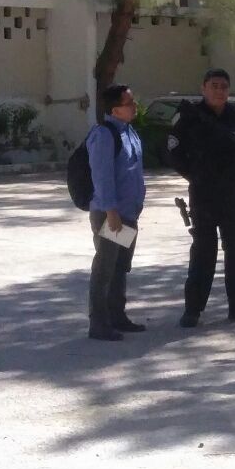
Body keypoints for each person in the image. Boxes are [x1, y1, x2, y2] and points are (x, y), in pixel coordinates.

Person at [168, 68, 235, 328]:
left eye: (224, 86)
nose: (219, 91)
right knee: (203, 252)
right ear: (203, 88)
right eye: (214, 85)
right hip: (204, 195)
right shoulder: (189, 117)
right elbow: (174, 152)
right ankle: (193, 309)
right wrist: (195, 176)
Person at [86, 84, 147, 341]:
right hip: (111, 214)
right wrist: (111, 211)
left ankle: (117, 316)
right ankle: (99, 323)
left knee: (120, 267)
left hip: (128, 213)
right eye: (129, 103)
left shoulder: (129, 132)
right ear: (115, 110)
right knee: (105, 268)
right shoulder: (104, 134)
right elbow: (102, 177)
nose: (134, 106)